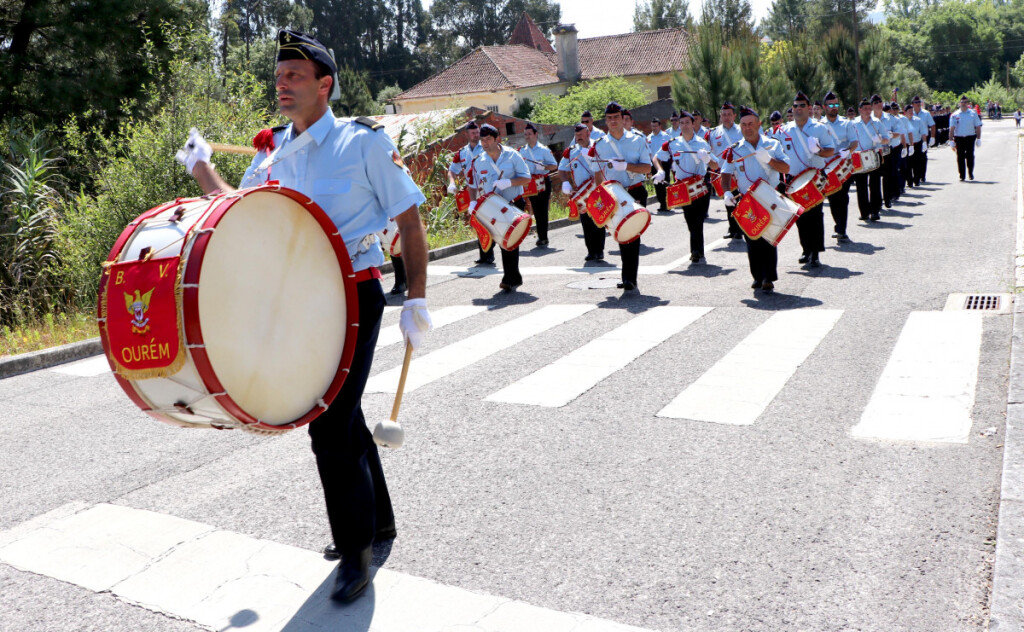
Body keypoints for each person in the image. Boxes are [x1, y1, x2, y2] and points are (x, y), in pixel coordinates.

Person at [176, 29, 431, 604]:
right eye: (279, 77)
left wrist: (415, 296)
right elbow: (235, 214)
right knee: (344, 413)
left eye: (294, 77)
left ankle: (356, 552)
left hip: (353, 294)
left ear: (324, 84)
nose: (282, 86)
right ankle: (379, 520)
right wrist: (201, 168)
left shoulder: (362, 145)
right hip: (295, 301)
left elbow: (410, 222)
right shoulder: (272, 154)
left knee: (328, 423)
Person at [587, 101, 662, 292]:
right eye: (609, 118)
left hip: (634, 189)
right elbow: (597, 172)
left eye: (616, 118)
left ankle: (630, 278)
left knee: (632, 234)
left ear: (623, 119)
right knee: (619, 233)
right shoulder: (600, 144)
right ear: (606, 121)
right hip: (612, 194)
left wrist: (626, 166)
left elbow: (646, 168)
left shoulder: (637, 140)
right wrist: (599, 196)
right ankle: (626, 276)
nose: (613, 121)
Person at [720, 106, 791, 293]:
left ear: (759, 124)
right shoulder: (735, 150)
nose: (747, 128)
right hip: (747, 199)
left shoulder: (773, 145)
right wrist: (726, 192)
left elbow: (786, 168)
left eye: (751, 124)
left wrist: (770, 160)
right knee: (752, 238)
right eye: (743, 124)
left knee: (768, 237)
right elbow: (725, 173)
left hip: (769, 197)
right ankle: (757, 276)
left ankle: (768, 276)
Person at [467, 124, 531, 291]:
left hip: (512, 203)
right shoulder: (478, 161)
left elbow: (526, 178)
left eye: (488, 139)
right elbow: (472, 184)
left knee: (509, 239)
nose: (485, 143)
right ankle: (513, 277)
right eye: (482, 140)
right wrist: (472, 202)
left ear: (497, 139)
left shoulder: (512, 155)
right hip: (493, 206)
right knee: (500, 239)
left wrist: (509, 182)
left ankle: (510, 278)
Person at [782, 90, 836, 267]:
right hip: (794, 180)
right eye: (795, 106)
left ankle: (815, 252)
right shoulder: (785, 130)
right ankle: (806, 249)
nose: (798, 109)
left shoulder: (819, 128)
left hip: (814, 178)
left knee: (815, 215)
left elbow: (831, 150)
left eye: (802, 106)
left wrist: (819, 151)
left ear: (809, 108)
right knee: (800, 217)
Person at [656, 110, 715, 263]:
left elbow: (715, 164)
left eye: (687, 122)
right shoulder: (672, 144)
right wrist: (661, 170)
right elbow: (657, 157)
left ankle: (696, 251)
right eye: (681, 123)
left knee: (699, 219)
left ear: (693, 124)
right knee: (690, 219)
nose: (684, 126)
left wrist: (707, 158)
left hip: (701, 185)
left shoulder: (702, 143)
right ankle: (697, 250)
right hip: (683, 188)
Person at [558, 123, 606, 262]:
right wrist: (565, 182)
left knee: (598, 220)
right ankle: (591, 251)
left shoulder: (598, 147)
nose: (579, 137)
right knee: (586, 222)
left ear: (588, 134)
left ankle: (600, 250)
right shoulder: (571, 151)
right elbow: (562, 169)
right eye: (576, 135)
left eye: (581, 134)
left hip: (597, 189)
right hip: (581, 193)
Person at [448, 121, 489, 264]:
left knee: (487, 220)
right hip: (472, 191)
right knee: (477, 222)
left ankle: (488, 252)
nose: (476, 135)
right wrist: (452, 183)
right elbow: (452, 170)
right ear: (466, 134)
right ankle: (484, 254)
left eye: (477, 132)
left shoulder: (485, 147)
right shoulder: (462, 153)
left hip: (487, 189)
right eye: (473, 133)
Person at [823, 91, 857, 242]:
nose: (834, 107)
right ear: (825, 107)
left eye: (836, 104)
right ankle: (838, 225)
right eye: (831, 105)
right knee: (832, 198)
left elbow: (854, 142)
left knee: (842, 197)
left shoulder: (846, 123)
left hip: (843, 166)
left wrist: (848, 151)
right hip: (827, 168)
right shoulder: (819, 125)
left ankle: (842, 229)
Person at [707, 101, 744, 239]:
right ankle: (732, 228)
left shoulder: (742, 130)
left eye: (729, 114)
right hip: (724, 173)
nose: (726, 117)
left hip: (740, 172)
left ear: (734, 116)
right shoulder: (713, 133)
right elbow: (710, 151)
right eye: (723, 114)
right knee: (728, 201)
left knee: (740, 201)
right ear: (720, 116)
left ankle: (740, 228)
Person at [851, 98, 891, 222]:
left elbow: (887, 139)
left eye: (869, 109)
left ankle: (875, 211)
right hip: (859, 156)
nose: (868, 111)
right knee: (861, 185)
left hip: (873, 154)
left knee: (875, 184)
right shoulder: (853, 123)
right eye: (865, 109)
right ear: (860, 110)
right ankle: (864, 212)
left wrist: (880, 140)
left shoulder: (877, 122)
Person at [519, 122, 558, 247]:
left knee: (543, 209)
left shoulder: (544, 150)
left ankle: (543, 237)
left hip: (543, 181)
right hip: (531, 183)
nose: (527, 136)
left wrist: (544, 167)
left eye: (529, 134)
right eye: (525, 134)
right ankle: (541, 235)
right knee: (535, 208)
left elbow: (554, 166)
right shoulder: (522, 151)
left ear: (536, 134)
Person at [871, 95, 899, 208]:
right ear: (872, 105)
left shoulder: (890, 118)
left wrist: (891, 135)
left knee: (887, 176)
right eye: (876, 102)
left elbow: (899, 132)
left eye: (880, 102)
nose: (878, 104)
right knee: (874, 178)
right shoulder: (868, 118)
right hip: (874, 151)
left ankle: (887, 199)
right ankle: (876, 203)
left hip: (887, 150)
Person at [949, 95, 983, 181]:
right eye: (962, 102)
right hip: (959, 138)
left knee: (970, 156)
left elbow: (978, 126)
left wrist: (978, 139)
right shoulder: (955, 114)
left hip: (970, 137)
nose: (963, 104)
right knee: (960, 156)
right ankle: (962, 175)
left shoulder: (973, 113)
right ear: (959, 103)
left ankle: (970, 173)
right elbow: (952, 128)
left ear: (968, 104)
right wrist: (951, 140)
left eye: (965, 102)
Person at [647, 118, 673, 213]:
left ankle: (667, 203)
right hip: (654, 164)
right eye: (652, 126)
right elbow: (648, 152)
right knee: (657, 184)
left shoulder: (666, 137)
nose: (654, 128)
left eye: (656, 126)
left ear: (660, 126)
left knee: (665, 183)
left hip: (664, 163)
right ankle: (662, 203)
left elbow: (671, 150)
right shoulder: (649, 138)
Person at [912, 96, 937, 183]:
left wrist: (933, 137)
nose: (918, 104)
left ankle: (922, 176)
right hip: (912, 139)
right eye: (916, 102)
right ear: (912, 104)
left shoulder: (926, 113)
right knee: (913, 158)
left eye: (919, 102)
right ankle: (916, 176)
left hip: (923, 139)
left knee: (922, 158)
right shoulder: (910, 113)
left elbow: (932, 125)